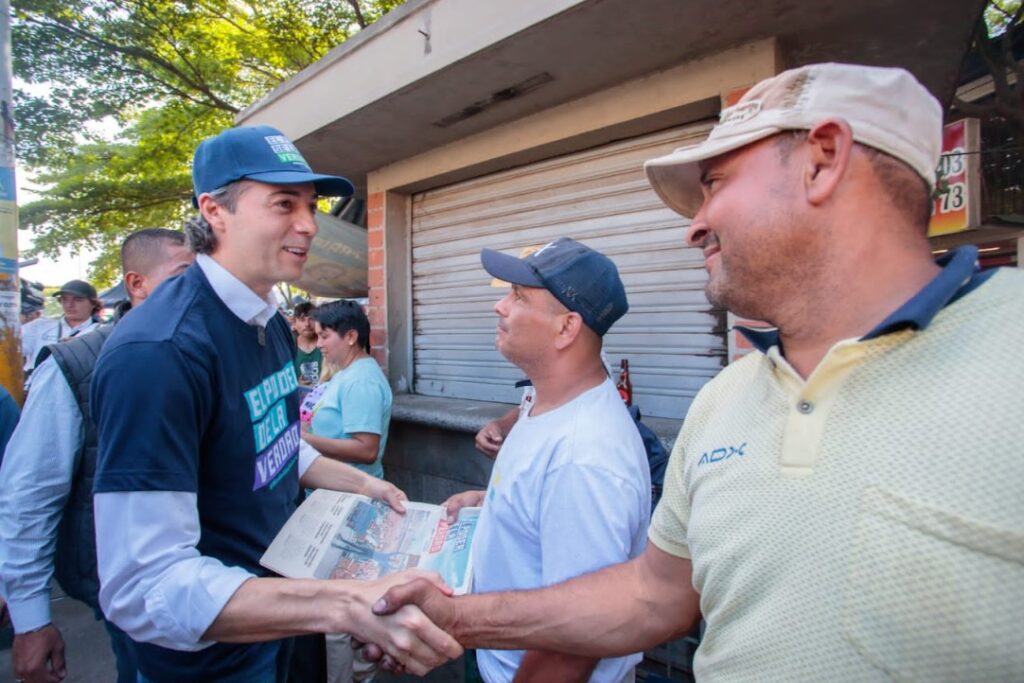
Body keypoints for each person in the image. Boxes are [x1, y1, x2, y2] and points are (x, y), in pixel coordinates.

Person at [370, 63, 1024, 681]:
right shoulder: (724, 399)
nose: (695, 226)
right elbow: (651, 595)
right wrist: (456, 618)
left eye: (715, 184)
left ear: (822, 160)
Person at [90, 125, 461, 683]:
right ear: (214, 211)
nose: (309, 224)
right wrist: (345, 604)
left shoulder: (272, 325)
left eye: (311, 206)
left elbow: (276, 444)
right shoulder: (159, 353)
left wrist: (367, 487)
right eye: (284, 204)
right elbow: (144, 587)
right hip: (213, 662)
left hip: (282, 620)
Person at [443, 238, 651, 683]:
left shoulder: (584, 456)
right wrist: (492, 503)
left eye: (519, 297)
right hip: (497, 659)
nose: (500, 306)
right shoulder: (545, 402)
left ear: (567, 327)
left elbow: (575, 637)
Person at [0, 229, 193, 683]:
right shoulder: (76, 364)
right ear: (136, 284)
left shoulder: (204, 350)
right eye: (183, 277)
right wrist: (31, 617)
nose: (197, 291)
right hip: (124, 587)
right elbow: (30, 492)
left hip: (203, 582)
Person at [299, 299, 393, 683]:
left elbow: (366, 448)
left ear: (351, 336)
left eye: (325, 336)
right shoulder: (345, 374)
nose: (319, 344)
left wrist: (303, 442)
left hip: (350, 506)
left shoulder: (362, 381)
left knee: (341, 613)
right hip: (330, 501)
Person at [20, 279, 101, 373]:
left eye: (78, 300)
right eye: (65, 299)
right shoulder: (39, 326)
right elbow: (11, 350)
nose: (70, 305)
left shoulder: (102, 332)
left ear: (93, 303)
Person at [292, 301, 323, 389]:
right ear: (294, 323)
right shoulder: (289, 346)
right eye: (302, 320)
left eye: (311, 319)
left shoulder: (326, 343)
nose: (307, 324)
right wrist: (297, 384)